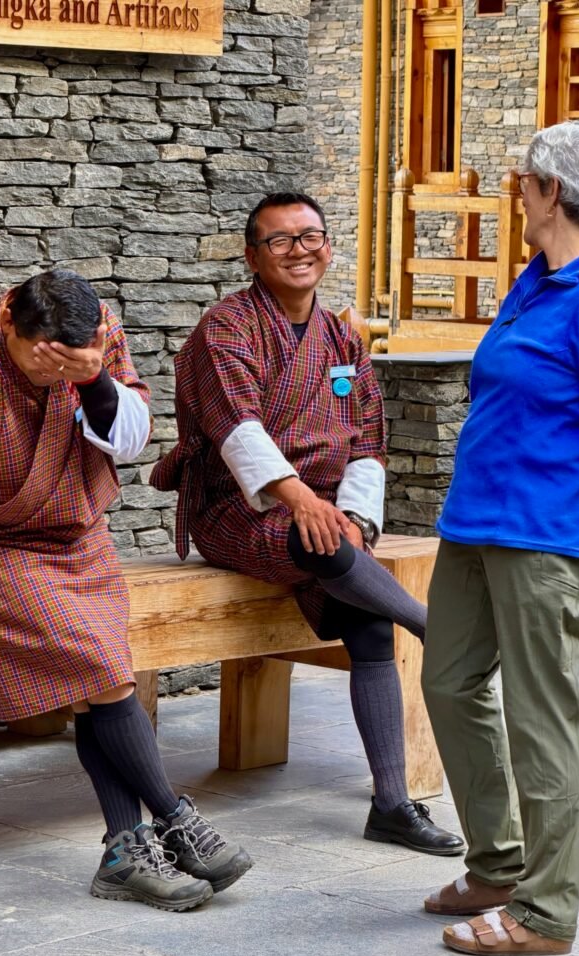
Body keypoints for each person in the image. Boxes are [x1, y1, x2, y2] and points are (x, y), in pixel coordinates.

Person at [0, 269, 252, 912]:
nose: (52, 372)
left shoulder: (95, 332)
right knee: (105, 669)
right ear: (8, 321)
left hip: (81, 531)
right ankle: (175, 817)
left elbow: (133, 435)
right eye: (41, 360)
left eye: (68, 362)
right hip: (1, 548)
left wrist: (92, 377)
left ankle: (123, 850)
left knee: (94, 687)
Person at [151, 192, 465, 856]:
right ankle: (433, 627)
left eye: (311, 236)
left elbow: (367, 439)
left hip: (325, 509)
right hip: (238, 507)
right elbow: (237, 432)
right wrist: (303, 504)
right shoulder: (226, 329)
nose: (300, 250)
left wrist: (352, 513)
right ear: (252, 257)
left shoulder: (344, 337)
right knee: (318, 541)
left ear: (328, 246)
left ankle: (391, 803)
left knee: (365, 617)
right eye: (281, 240)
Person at [421, 122, 579, 955]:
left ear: (553, 193)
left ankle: (545, 913)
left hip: (540, 538)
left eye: (525, 179)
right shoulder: (537, 281)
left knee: (540, 720)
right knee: (449, 684)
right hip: (474, 524)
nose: (516, 189)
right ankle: (498, 862)